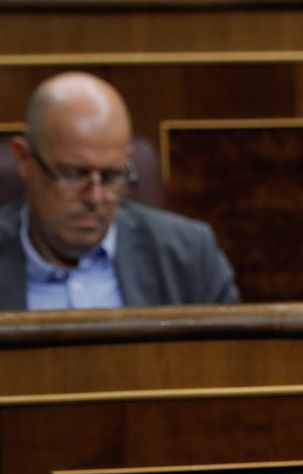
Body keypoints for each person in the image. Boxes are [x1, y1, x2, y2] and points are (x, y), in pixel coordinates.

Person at [1, 71, 239, 312]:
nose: (95, 198)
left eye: (111, 176)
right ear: (24, 159)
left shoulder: (189, 257)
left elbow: (231, 350)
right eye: (73, 175)